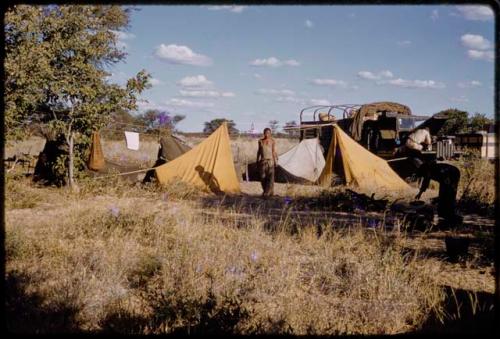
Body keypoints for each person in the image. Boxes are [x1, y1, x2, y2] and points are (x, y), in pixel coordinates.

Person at [413, 158, 462, 227]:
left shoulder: (431, 169)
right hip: (445, 178)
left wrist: (448, 182)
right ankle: (443, 212)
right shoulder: (427, 172)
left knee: (449, 194)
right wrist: (420, 193)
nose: (424, 176)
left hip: (453, 173)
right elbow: (425, 182)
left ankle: (451, 214)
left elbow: (444, 172)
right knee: (443, 195)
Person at [256, 128, 278, 197]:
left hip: (270, 162)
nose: (267, 134)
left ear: (270, 133)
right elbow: (259, 151)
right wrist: (257, 160)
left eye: (268, 133)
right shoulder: (260, 141)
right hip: (263, 162)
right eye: (265, 133)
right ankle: (265, 191)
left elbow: (273, 151)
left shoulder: (272, 141)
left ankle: (267, 193)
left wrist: (275, 161)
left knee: (270, 178)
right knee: (262, 177)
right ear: (263, 133)